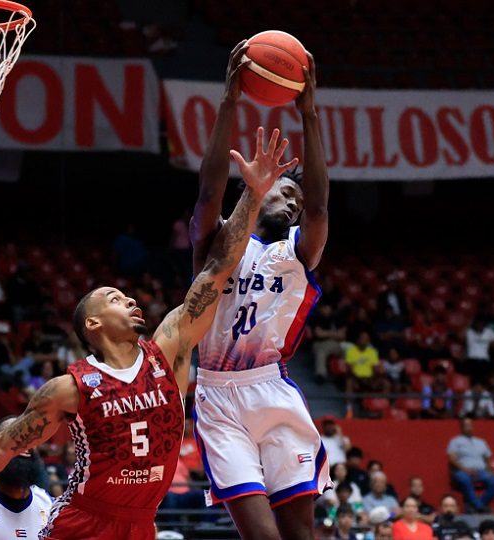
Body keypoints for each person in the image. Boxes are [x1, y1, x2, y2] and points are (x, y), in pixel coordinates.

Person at [0, 127, 295, 540]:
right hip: (81, 522)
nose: (131, 301)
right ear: (92, 324)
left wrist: (253, 194)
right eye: (115, 298)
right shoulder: (69, 388)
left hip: (140, 525)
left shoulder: (168, 348)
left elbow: (217, 270)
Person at [189, 41, 330, 540]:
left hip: (273, 387)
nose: (293, 201)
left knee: (301, 534)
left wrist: (308, 114)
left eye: (296, 195)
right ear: (258, 183)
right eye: (283, 189)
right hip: (218, 395)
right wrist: (229, 100)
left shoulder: (298, 252)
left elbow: (317, 209)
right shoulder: (218, 242)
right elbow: (208, 192)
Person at [447, 417, 494, 512]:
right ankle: (480, 507)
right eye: (466, 425)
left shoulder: (481, 442)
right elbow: (452, 459)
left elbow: (488, 459)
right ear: (462, 427)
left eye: (470, 425)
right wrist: (465, 469)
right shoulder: (455, 441)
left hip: (481, 472)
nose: (469, 428)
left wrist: (490, 471)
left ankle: (478, 505)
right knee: (464, 479)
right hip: (463, 471)